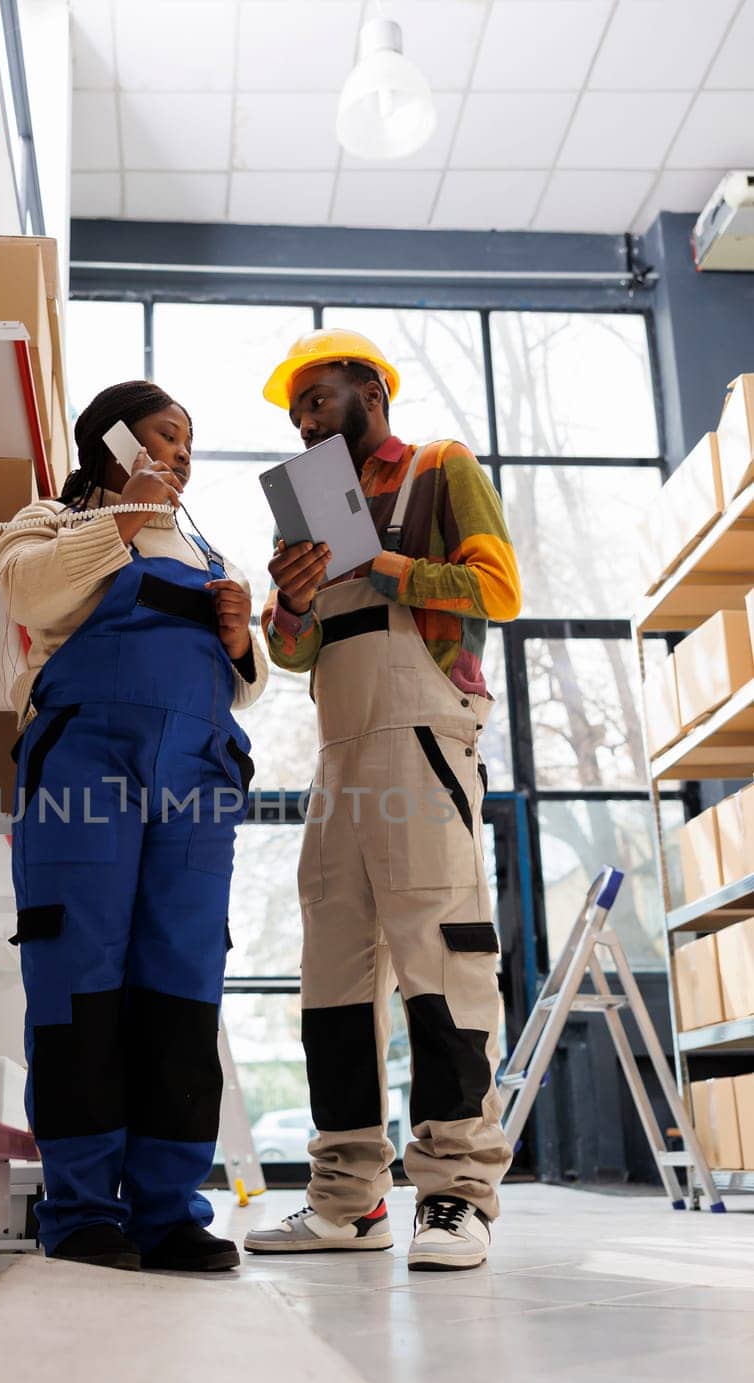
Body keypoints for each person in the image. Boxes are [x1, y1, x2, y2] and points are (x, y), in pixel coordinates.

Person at [243, 329, 521, 1271]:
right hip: (338, 750)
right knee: (333, 976)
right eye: (297, 413)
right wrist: (290, 600)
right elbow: (294, 655)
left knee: (440, 960)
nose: (307, 420)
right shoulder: (310, 512)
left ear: (371, 389)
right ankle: (347, 1198)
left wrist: (381, 565)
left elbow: (498, 587)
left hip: (421, 734)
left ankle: (455, 1195)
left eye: (318, 400)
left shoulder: (442, 468)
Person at [0, 380, 267, 1273]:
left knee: (182, 984)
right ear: (109, 440)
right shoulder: (48, 519)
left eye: (190, 440)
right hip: (84, 765)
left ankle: (169, 1211)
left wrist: (241, 645)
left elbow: (251, 685)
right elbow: (33, 597)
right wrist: (123, 516)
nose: (182, 452)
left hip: (198, 777)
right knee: (81, 977)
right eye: (164, 434)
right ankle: (79, 1211)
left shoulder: (204, 546)